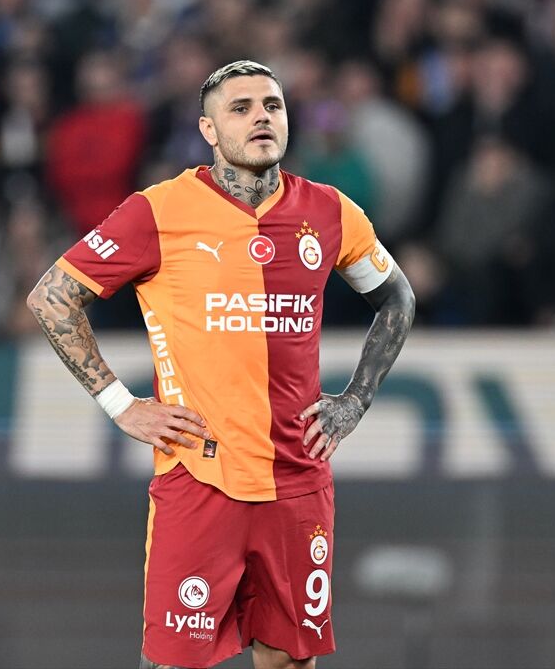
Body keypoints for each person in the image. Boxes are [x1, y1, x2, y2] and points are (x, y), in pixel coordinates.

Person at [27, 61, 415, 669]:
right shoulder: (159, 211)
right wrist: (120, 405)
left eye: (272, 105)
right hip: (200, 479)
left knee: (291, 661)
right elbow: (52, 297)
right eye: (241, 108)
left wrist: (355, 399)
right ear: (208, 130)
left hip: (298, 481)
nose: (261, 117)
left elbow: (397, 297)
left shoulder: (330, 212)